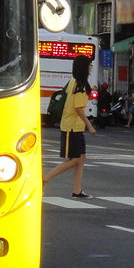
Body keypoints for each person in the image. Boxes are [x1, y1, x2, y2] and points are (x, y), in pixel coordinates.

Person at [42, 54, 96, 198]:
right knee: (75, 159)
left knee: (81, 158)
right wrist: (89, 126)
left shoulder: (74, 81)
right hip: (71, 126)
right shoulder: (79, 85)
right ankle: (45, 179)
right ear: (84, 67)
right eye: (89, 65)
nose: (91, 67)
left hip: (74, 126)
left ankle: (77, 190)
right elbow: (78, 108)